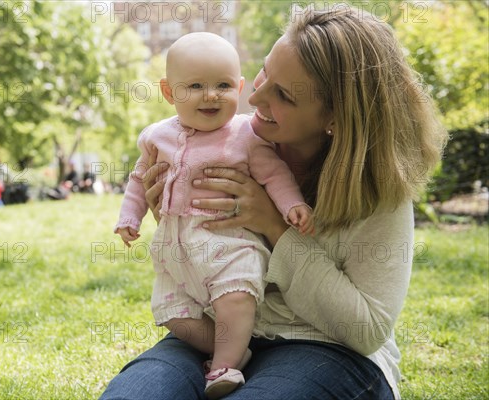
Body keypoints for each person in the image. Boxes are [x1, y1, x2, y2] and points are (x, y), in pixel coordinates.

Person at [101, 5, 447, 400]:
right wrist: (170, 213)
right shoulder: (224, 143)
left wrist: (276, 229)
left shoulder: (377, 189)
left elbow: (367, 331)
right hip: (218, 331)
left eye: (283, 94)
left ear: (334, 117)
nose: (256, 94)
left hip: (326, 348)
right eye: (266, 72)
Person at [114, 32, 312, 399]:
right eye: (195, 86)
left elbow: (274, 175)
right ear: (169, 92)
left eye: (223, 85)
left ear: (238, 87)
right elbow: (140, 179)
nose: (211, 95)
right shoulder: (157, 137)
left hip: (229, 243)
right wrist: (130, 217)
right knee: (174, 314)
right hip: (177, 250)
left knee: (235, 298)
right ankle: (232, 348)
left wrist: (291, 205)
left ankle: (225, 365)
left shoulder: (245, 135)